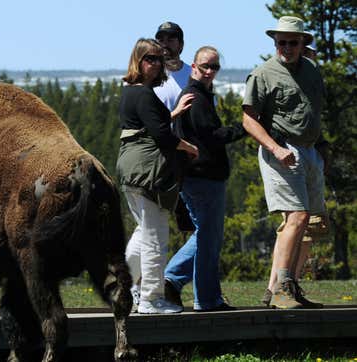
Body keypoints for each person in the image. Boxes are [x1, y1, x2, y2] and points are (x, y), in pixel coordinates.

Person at [242, 16, 326, 309]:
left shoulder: (312, 70)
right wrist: (275, 149)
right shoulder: (263, 74)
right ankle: (282, 287)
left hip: (310, 151)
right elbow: (248, 120)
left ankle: (280, 288)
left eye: (293, 42)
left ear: (303, 43)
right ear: (274, 43)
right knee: (297, 217)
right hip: (282, 150)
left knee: (309, 223)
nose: (286, 47)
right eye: (281, 42)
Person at [116, 38, 198, 314]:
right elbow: (162, 135)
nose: (156, 63)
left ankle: (122, 287)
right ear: (137, 61)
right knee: (155, 236)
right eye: (149, 58)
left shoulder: (130, 92)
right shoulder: (144, 95)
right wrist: (188, 147)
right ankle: (151, 299)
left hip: (131, 170)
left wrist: (170, 114)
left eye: (159, 58)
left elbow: (150, 125)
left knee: (143, 232)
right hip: (148, 172)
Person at [163, 46, 246, 312]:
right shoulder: (196, 98)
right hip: (202, 177)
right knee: (209, 239)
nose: (210, 72)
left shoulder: (198, 95)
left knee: (207, 236)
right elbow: (210, 136)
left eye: (215, 67)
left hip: (199, 177)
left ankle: (173, 280)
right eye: (205, 66)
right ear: (194, 67)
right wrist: (244, 127)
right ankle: (205, 298)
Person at [153, 21, 192, 111]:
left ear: (181, 45)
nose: (165, 45)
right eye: (161, 40)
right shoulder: (149, 76)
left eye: (170, 40)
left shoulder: (194, 75)